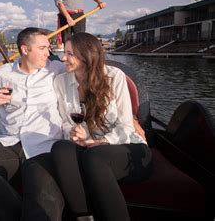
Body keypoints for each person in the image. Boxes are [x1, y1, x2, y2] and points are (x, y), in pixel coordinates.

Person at [0, 27, 66, 221]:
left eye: (48, 47)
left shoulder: (56, 69)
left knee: (44, 203)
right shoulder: (3, 73)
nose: (48, 53)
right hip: (10, 144)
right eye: (42, 48)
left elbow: (87, 71)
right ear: (25, 50)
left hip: (45, 146)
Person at [50, 32, 152, 221]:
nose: (64, 58)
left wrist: (103, 141)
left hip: (129, 148)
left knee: (96, 156)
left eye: (70, 53)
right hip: (88, 147)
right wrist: (74, 132)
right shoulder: (60, 82)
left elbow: (126, 124)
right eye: (65, 52)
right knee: (61, 148)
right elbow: (65, 121)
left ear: (87, 55)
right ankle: (85, 217)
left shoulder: (114, 77)